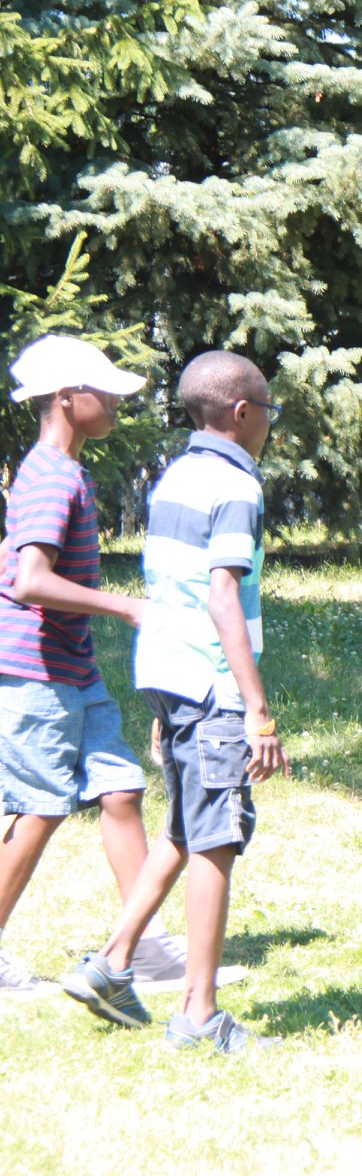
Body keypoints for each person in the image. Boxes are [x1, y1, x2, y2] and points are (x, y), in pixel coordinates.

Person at [62, 350, 289, 1053]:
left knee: (185, 831)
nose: (270, 424)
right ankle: (199, 1014)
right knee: (216, 840)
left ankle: (110, 963)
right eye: (269, 412)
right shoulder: (236, 486)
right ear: (243, 413)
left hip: (167, 672)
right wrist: (256, 709)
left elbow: (172, 589)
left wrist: (167, 707)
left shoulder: (175, 477)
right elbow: (221, 594)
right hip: (212, 683)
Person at [0, 334, 187, 994]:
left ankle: (150, 945)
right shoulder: (51, 475)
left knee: (120, 788)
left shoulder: (64, 470)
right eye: (104, 392)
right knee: (42, 807)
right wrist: (127, 609)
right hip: (34, 671)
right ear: (65, 399)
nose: (115, 403)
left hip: (71, 666)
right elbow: (28, 581)